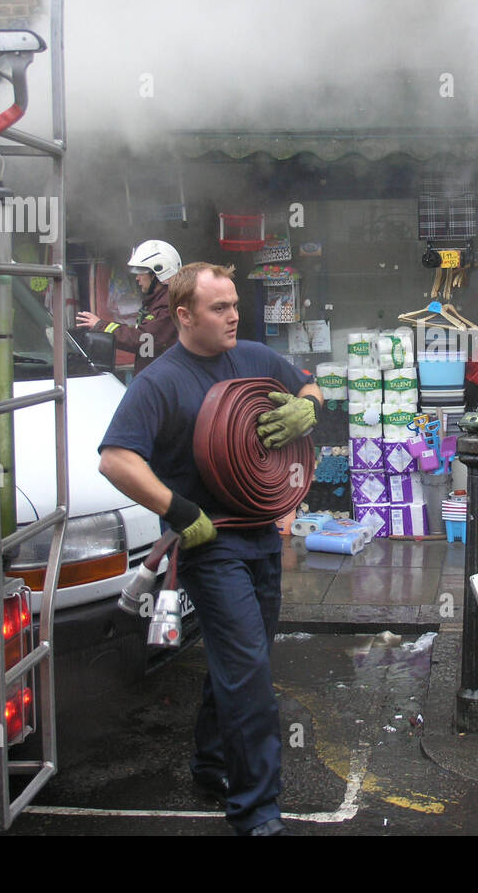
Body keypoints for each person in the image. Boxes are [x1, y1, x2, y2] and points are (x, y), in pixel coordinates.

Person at [97, 262, 322, 835]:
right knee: (249, 673)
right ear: (183, 315)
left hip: (262, 537)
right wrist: (178, 512)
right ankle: (258, 815)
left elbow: (307, 382)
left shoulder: (253, 357)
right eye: (219, 308)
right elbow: (116, 459)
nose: (233, 315)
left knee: (241, 659)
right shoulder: (160, 381)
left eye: (234, 305)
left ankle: (211, 763)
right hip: (210, 544)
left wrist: (309, 407)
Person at [77, 240, 181, 375]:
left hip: (161, 379)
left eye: (140, 272)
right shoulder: (157, 301)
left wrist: (101, 325)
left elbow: (144, 340)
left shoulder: (167, 305)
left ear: (158, 271)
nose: (137, 278)